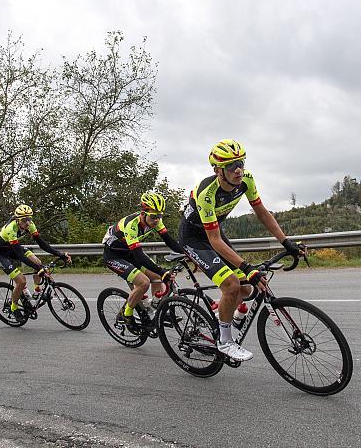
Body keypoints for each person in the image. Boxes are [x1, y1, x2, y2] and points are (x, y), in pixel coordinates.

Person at [179, 139, 306, 361]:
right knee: (231, 284)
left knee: (247, 290)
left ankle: (223, 315)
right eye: (230, 166)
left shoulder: (246, 180)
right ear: (218, 170)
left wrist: (286, 242)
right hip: (195, 238)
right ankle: (224, 341)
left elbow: (262, 213)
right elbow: (214, 240)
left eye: (240, 163)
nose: (238, 170)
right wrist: (247, 266)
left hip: (214, 231)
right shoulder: (206, 192)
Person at [102, 192, 182, 327]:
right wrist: (163, 272)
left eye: (159, 216)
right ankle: (125, 314)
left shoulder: (155, 220)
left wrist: (190, 255)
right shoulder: (131, 225)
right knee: (143, 283)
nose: (157, 220)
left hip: (129, 253)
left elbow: (170, 241)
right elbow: (139, 256)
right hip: (114, 256)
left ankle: (155, 310)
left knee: (157, 276)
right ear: (143, 213)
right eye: (154, 216)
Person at [0, 204, 72, 322]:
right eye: (24, 220)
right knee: (21, 281)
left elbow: (42, 244)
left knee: (38, 262)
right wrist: (38, 269)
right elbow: (20, 256)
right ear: (17, 220)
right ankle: (14, 307)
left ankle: (37, 292)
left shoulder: (30, 225)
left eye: (29, 219)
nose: (27, 223)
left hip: (11, 247)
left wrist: (60, 254)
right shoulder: (10, 228)